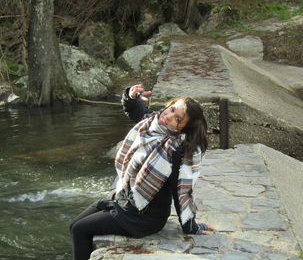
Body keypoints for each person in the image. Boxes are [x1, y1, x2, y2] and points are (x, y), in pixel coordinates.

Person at [70, 84, 215, 260]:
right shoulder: (152, 124)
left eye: (178, 119)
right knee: (74, 225)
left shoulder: (177, 150)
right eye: (171, 110)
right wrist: (131, 96)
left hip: (143, 217)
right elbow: (136, 110)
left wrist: (191, 226)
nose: (168, 117)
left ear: (182, 128)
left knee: (80, 230)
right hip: (123, 199)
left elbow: (182, 191)